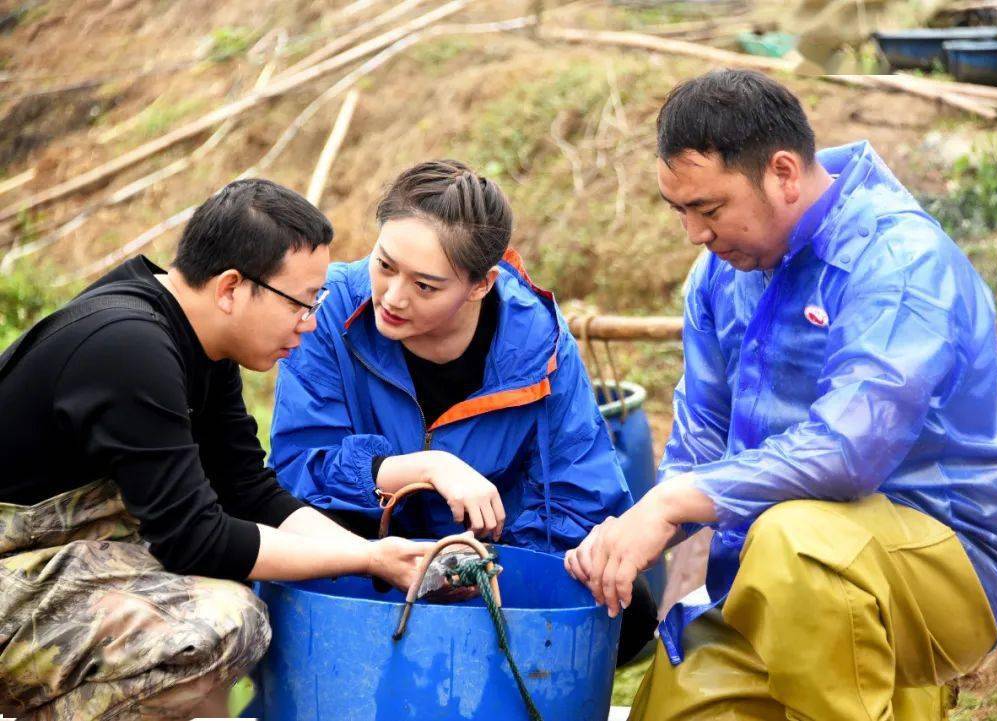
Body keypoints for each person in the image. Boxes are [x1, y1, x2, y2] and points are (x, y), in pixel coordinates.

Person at [565, 70, 997, 720]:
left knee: (798, 541)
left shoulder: (899, 262)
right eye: (680, 211)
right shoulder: (719, 277)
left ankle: (899, 679)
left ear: (784, 173)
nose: (694, 234)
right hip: (770, 573)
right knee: (674, 700)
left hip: (943, 563)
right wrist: (642, 530)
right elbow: (701, 436)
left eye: (709, 209)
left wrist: (674, 501)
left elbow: (848, 452)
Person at [0, 179, 429, 721]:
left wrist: (378, 557)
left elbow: (248, 492)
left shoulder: (203, 339)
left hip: (53, 561)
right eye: (301, 301)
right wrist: (367, 557)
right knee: (223, 621)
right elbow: (196, 539)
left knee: (218, 610)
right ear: (230, 288)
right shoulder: (130, 348)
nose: (312, 321)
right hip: (16, 567)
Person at [270, 160, 656, 663]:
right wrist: (426, 468)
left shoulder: (539, 346)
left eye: (425, 286)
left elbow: (577, 498)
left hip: (490, 561)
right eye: (384, 264)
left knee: (630, 606)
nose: (392, 297)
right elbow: (298, 467)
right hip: (365, 544)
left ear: (480, 284)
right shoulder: (330, 309)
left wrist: (483, 565)